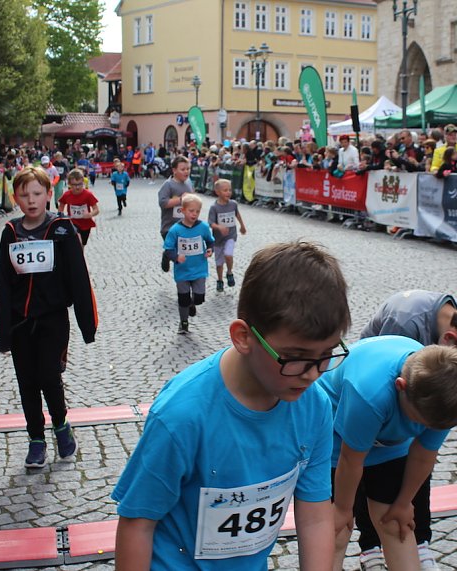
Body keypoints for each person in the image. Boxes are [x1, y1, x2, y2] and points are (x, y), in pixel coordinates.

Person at [112, 241, 351, 570]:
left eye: (326, 356)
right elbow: (138, 523)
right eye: (295, 358)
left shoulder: (315, 406)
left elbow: (314, 514)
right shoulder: (182, 416)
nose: (312, 374)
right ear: (243, 337)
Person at [352, 290, 457, 568]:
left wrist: (404, 502)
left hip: (419, 397)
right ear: (449, 340)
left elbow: (424, 454)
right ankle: (370, 544)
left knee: (415, 461)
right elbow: (355, 456)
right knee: (371, 468)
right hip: (375, 402)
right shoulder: (404, 326)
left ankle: (419, 539)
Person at [319, 338, 457, 571]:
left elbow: (424, 455)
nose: (421, 429)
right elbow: (351, 459)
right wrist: (343, 509)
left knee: (395, 523)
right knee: (337, 530)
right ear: (400, 387)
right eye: (418, 422)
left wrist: (404, 502)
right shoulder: (369, 393)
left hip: (390, 440)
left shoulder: (447, 398)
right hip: (335, 431)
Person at [0, 166, 97, 468]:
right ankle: (36, 439)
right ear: (15, 198)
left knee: (49, 376)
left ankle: (61, 424)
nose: (31, 200)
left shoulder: (63, 229)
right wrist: (3, 331)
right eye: (24, 195)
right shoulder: (10, 232)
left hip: (53, 319)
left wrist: (87, 324)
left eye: (37, 193)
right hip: (20, 321)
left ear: (49, 195)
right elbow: (2, 281)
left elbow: (79, 277)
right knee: (26, 381)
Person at [163, 193, 214, 334]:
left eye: (197, 211)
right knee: (183, 299)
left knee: (199, 298)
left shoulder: (203, 227)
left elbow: (210, 241)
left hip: (199, 269)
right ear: (183, 210)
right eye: (191, 211)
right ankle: (183, 322)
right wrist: (176, 257)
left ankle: (193, 304)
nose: (194, 214)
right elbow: (168, 249)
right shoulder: (175, 230)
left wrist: (210, 250)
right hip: (182, 271)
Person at [208, 179, 247, 293]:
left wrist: (242, 226)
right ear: (217, 192)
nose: (228, 192)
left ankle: (229, 272)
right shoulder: (214, 208)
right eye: (225, 190)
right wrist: (219, 227)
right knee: (219, 262)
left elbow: (237, 214)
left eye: (230, 190)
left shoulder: (233, 204)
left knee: (228, 254)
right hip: (218, 239)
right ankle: (220, 280)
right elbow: (210, 223)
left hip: (230, 236)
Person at [158, 156, 192, 272]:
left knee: (182, 254)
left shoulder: (189, 183)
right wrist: (180, 200)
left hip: (185, 226)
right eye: (183, 169)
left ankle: (184, 279)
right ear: (174, 170)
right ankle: (167, 254)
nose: (186, 171)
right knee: (175, 253)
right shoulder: (168, 185)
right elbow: (163, 203)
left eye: (188, 169)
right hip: (169, 227)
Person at [58, 168, 100, 246]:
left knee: (82, 245)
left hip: (85, 224)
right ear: (69, 184)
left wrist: (90, 214)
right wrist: (61, 217)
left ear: (83, 182)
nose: (77, 187)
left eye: (80, 184)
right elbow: (61, 206)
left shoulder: (88, 195)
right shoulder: (67, 195)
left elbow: (96, 210)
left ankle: (80, 257)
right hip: (72, 223)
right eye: (74, 185)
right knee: (76, 243)